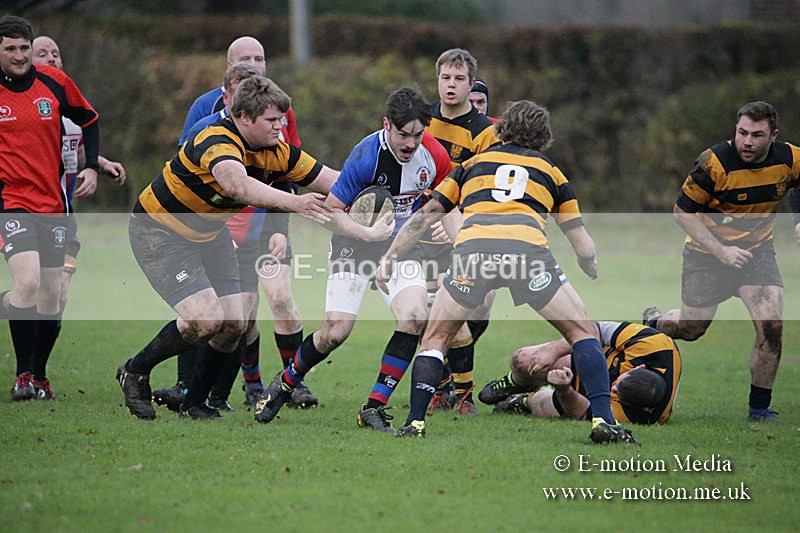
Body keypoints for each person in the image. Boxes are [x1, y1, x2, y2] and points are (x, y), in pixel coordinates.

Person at [375, 100, 636, 444]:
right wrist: (589, 264)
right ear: (543, 137)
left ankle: (415, 424)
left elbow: (428, 213)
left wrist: (391, 256)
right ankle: (602, 422)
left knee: (435, 339)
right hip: (527, 257)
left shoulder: (472, 164)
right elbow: (583, 245)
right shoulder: (552, 172)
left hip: (473, 256)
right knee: (583, 333)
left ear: (502, 130)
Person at [116, 75, 337, 420]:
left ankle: (194, 404)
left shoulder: (275, 150)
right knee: (205, 320)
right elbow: (238, 186)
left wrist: (382, 186)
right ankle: (136, 370)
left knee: (236, 322)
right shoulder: (215, 138)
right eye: (272, 120)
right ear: (245, 117)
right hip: (159, 230)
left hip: (209, 234)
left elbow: (334, 180)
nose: (281, 126)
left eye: (282, 119)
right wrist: (296, 204)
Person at [251, 87, 452, 430]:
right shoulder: (365, 156)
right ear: (387, 124)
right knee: (335, 333)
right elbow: (330, 212)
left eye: (418, 135)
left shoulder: (433, 154)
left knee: (414, 317)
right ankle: (285, 383)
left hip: (401, 247)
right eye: (403, 135)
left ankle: (373, 407)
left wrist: (455, 234)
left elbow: (449, 198)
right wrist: (367, 234)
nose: (410, 144)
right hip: (353, 244)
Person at [643, 101, 800, 422]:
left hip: (757, 253)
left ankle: (759, 410)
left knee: (771, 326)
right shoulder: (713, 163)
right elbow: (682, 213)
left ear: (774, 135)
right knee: (691, 328)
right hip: (706, 256)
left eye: (757, 135)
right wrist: (721, 251)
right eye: (742, 133)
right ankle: (655, 322)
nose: (747, 142)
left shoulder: (791, 158)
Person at [0, 16, 100, 402]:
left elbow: (89, 119)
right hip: (12, 203)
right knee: (27, 282)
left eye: (24, 47)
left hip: (54, 206)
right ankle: (22, 375)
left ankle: (40, 376)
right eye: (10, 48)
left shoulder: (54, 82)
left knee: (52, 295)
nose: (19, 55)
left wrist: (92, 165)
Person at [423, 49, 501, 415]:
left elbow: (485, 190)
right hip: (421, 233)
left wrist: (457, 224)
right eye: (445, 78)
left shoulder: (486, 133)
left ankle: (461, 392)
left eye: (458, 79)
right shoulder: (421, 121)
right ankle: (445, 390)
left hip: (464, 235)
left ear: (471, 86)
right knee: (431, 314)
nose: (450, 85)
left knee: (458, 316)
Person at [31, 35, 127, 325]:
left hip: (65, 218)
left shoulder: (72, 112)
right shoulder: (27, 112)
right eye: (42, 53)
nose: (52, 58)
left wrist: (100, 164)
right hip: (29, 212)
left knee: (58, 295)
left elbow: (78, 154)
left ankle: (36, 364)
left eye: (56, 53)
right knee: (33, 290)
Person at [481, 321, 681, 425]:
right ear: (639, 367)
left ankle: (523, 400)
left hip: (579, 390)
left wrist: (563, 389)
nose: (611, 387)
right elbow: (594, 329)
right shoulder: (655, 345)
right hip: (590, 359)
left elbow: (580, 412)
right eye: (617, 382)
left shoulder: (635, 415)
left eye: (615, 392)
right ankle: (514, 382)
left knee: (544, 408)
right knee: (522, 360)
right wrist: (554, 351)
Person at [178, 35, 300, 148]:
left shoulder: (280, 106)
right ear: (230, 66)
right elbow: (186, 154)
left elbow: (294, 153)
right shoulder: (205, 104)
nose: (253, 64)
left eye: (258, 59)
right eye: (245, 59)